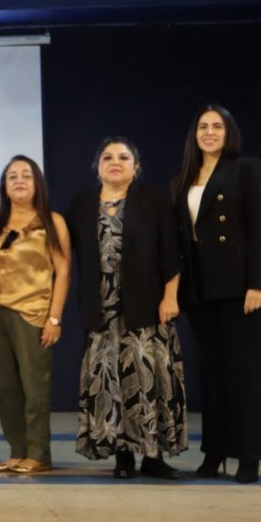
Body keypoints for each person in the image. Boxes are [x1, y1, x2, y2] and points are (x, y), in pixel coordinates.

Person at [67, 137, 187, 480]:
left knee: (149, 384)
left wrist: (170, 296)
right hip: (101, 313)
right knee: (111, 386)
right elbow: (59, 244)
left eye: (123, 157)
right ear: (98, 166)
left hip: (147, 308)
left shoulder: (153, 200)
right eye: (107, 157)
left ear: (136, 166)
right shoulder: (82, 204)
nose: (115, 162)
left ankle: (153, 457)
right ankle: (122, 457)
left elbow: (171, 253)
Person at [172, 105, 261, 484]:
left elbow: (259, 230)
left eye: (217, 126)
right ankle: (213, 451)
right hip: (198, 287)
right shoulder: (183, 177)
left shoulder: (246, 169)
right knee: (210, 370)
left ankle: (248, 455)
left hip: (236, 285)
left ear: (229, 132)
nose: (209, 132)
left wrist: (257, 282)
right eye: (202, 127)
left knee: (240, 369)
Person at [0, 155, 71, 475]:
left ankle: (39, 453)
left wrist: (55, 317)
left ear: (37, 184)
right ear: (4, 185)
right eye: (12, 176)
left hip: (33, 313)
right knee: (4, 388)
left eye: (27, 176)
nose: (19, 181)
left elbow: (63, 271)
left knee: (35, 387)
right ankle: (17, 450)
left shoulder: (51, 221)